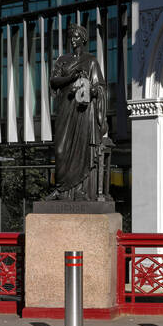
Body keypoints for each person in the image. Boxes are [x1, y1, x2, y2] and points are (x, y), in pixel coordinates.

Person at [47, 23, 108, 201]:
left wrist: (94, 91)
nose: (72, 40)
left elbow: (100, 86)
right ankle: (59, 188)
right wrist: (71, 78)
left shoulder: (91, 61)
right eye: (70, 37)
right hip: (66, 108)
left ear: (83, 39)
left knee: (81, 148)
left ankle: (79, 190)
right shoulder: (62, 60)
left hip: (83, 112)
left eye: (75, 36)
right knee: (60, 149)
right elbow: (54, 81)